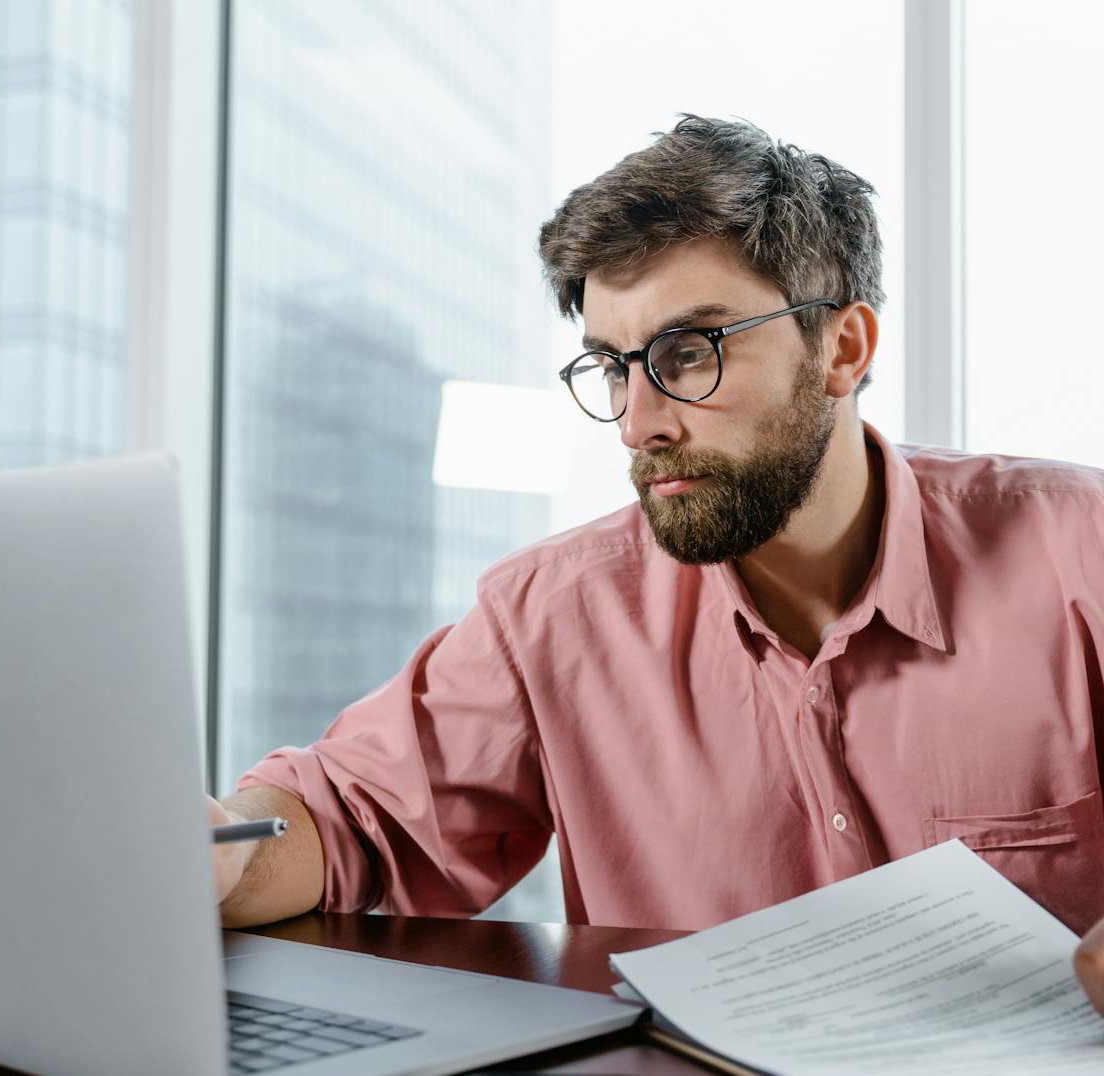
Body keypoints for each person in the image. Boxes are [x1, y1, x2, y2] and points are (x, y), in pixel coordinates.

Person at [205, 115, 1104, 1014]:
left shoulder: (1081, 552)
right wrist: (222, 846)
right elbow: (348, 819)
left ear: (843, 348)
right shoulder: (552, 616)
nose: (640, 425)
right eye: (613, 367)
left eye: (688, 354)